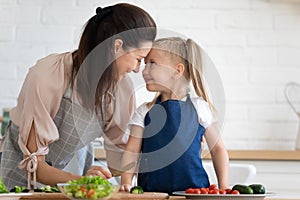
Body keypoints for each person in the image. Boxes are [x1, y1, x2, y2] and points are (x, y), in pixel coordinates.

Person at [0, 3, 156, 190]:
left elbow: (120, 157)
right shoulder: (48, 75)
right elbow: (35, 167)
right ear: (117, 46)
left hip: (73, 173)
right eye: (138, 59)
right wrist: (81, 181)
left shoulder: (122, 88)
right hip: (20, 177)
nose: (137, 69)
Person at [120, 37, 229, 194]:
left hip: (195, 194)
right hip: (152, 194)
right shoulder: (144, 111)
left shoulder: (199, 108)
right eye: (145, 64)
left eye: (152, 63)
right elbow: (132, 151)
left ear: (177, 71)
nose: (144, 70)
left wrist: (224, 186)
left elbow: (218, 149)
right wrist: (126, 182)